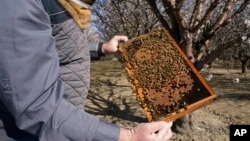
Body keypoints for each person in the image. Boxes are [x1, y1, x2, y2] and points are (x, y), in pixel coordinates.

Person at [0, 0, 173, 141]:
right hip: (28, 133)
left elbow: (50, 44)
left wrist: (101, 48)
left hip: (65, 126)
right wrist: (129, 137)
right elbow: (39, 108)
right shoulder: (18, 4)